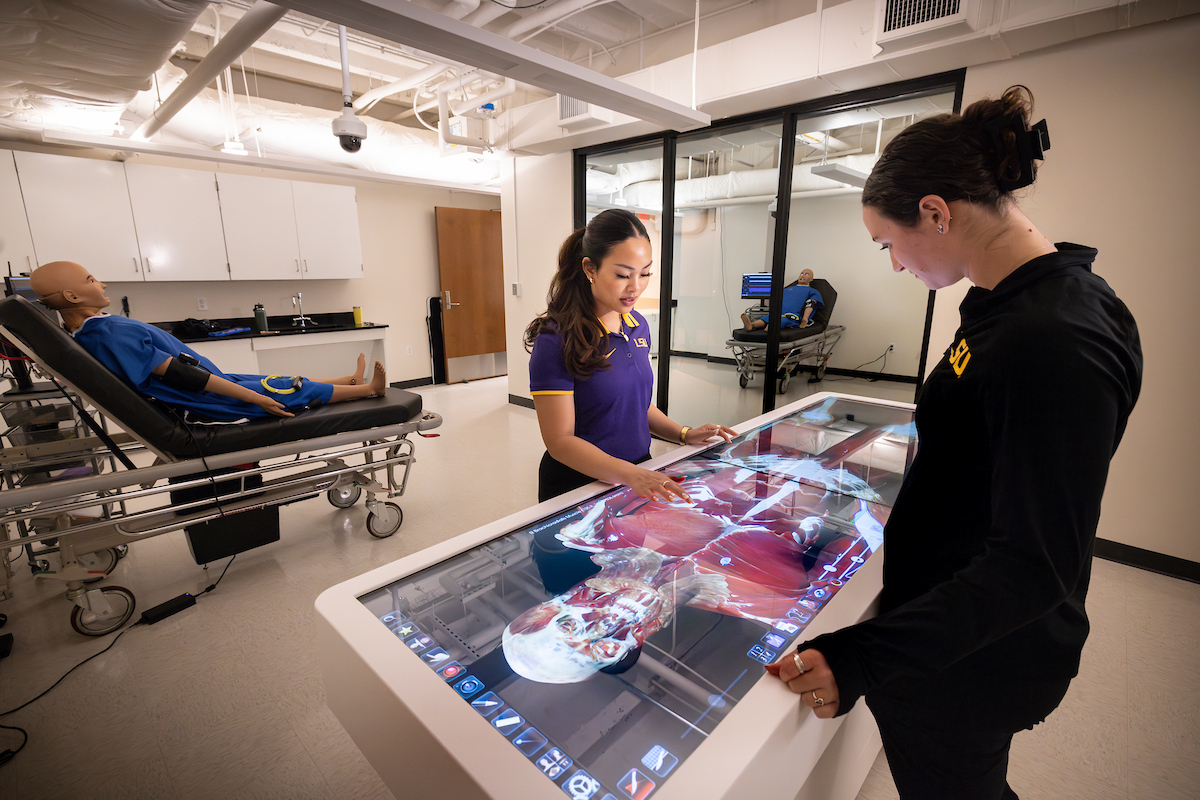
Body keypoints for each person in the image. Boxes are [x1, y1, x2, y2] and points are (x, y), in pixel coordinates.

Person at [764, 86, 1142, 799]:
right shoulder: (1013, 306)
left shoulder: (1054, 339)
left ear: (935, 212)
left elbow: (1034, 567)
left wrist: (862, 656)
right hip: (951, 618)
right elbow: (984, 441)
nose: (895, 265)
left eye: (889, 243)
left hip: (970, 654)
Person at [525, 209, 736, 504]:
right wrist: (630, 474)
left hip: (638, 473)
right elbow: (560, 442)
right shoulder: (557, 338)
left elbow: (635, 403)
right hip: (579, 485)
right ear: (590, 269)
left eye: (645, 273)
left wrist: (684, 434)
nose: (635, 286)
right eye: (623, 275)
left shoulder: (637, 325)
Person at [31, 260, 386, 420]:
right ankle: (370, 391)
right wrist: (254, 399)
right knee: (282, 389)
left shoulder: (94, 333)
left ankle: (350, 382)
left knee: (280, 380)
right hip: (204, 395)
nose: (102, 284)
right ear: (72, 297)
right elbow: (182, 375)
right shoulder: (108, 333)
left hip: (206, 388)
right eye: (91, 279)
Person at [740, 268, 823, 330]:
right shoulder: (786, 289)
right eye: (801, 273)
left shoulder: (812, 291)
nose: (803, 275)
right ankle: (752, 324)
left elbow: (811, 304)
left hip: (792, 316)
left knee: (782, 320)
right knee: (767, 318)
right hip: (778, 314)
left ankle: (771, 327)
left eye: (807, 274)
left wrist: (805, 319)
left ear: (812, 279)